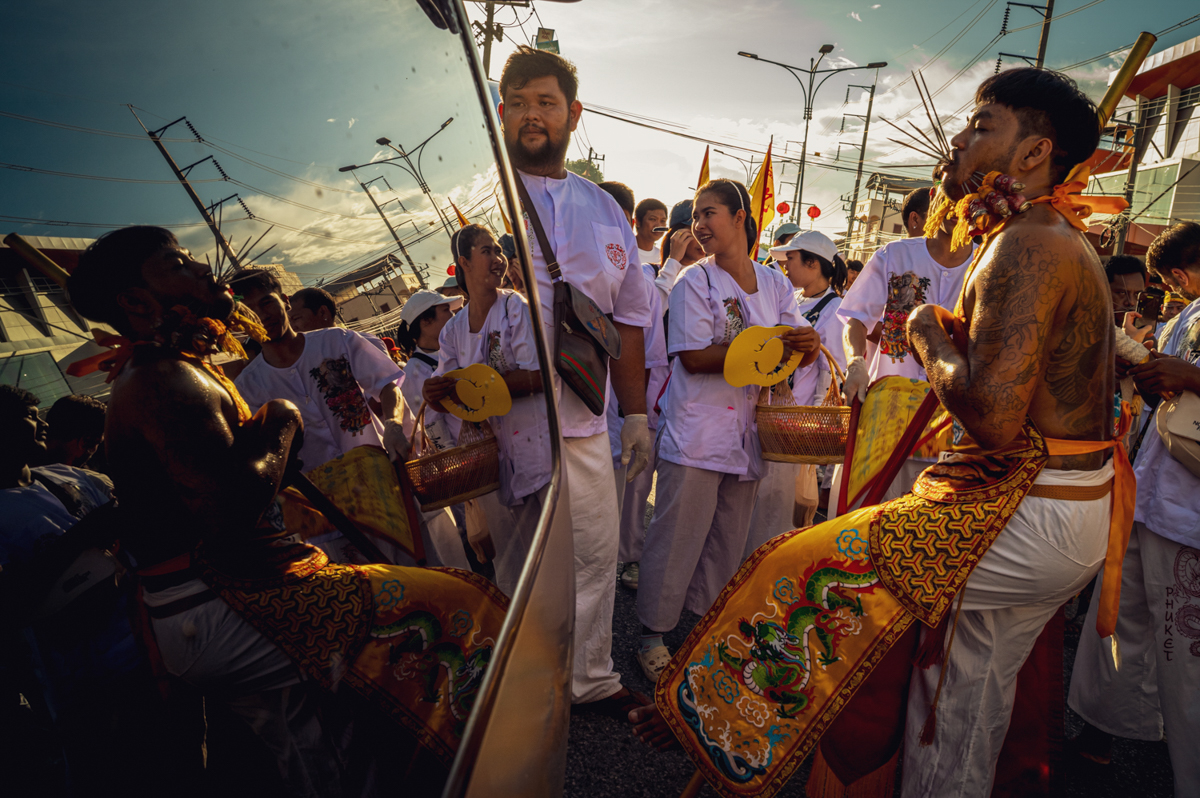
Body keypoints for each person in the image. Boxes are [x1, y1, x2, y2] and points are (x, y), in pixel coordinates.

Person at [636, 67, 1123, 798]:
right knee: (964, 687)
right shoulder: (1047, 237)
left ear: (1033, 154)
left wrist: (927, 332)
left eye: (982, 125)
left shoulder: (1028, 242)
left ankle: (708, 709)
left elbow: (992, 419)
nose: (958, 139)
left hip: (1027, 507)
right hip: (1058, 502)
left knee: (809, 568)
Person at [65, 226, 506, 797]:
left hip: (232, 592)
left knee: (314, 737)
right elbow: (232, 509)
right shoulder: (161, 379)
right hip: (226, 600)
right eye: (177, 265)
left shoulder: (176, 369)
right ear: (134, 301)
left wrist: (388, 428)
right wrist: (280, 423)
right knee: (450, 607)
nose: (201, 269)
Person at [499, 45, 655, 717]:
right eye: (518, 102)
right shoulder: (484, 193)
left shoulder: (603, 208)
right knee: (516, 565)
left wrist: (636, 415)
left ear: (574, 113)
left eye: (546, 102)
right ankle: (511, 686)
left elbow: (628, 319)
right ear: (500, 114)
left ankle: (589, 677)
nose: (532, 115)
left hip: (585, 417)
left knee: (594, 553)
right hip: (505, 424)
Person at [635, 178, 820, 683]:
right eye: (696, 215)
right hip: (698, 432)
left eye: (709, 213)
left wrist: (805, 344)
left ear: (740, 217)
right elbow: (693, 357)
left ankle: (703, 628)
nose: (699, 225)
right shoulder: (694, 281)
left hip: (746, 434)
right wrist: (771, 348)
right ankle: (652, 635)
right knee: (677, 536)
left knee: (726, 541)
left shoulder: (775, 283)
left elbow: (793, 347)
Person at [1069, 221, 1200, 795]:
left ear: (1177, 275)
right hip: (1151, 493)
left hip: (1190, 513)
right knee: (1120, 622)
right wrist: (1146, 373)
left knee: (1184, 657)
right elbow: (1165, 399)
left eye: (1170, 282)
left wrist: (1189, 375)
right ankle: (1105, 731)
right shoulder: (1183, 317)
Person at [229, 269, 414, 564]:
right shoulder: (247, 388)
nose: (261, 316)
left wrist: (393, 425)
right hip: (324, 514)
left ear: (285, 300)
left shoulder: (336, 342)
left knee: (422, 574)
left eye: (266, 302)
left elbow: (387, 386)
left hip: (385, 486)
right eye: (248, 311)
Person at [423, 225, 551, 596]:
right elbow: (447, 390)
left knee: (557, 549)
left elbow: (537, 375)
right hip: (498, 460)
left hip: (539, 448)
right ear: (463, 262)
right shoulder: (453, 330)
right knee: (528, 560)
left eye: (498, 250)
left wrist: (472, 386)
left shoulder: (515, 307)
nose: (498, 259)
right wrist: (434, 393)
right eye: (486, 251)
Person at [836, 176, 975, 504]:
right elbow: (857, 319)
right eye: (950, 196)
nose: (956, 208)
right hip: (887, 411)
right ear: (935, 196)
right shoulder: (894, 255)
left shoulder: (986, 265)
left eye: (968, 200)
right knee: (867, 511)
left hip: (953, 418)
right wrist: (855, 363)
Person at [757, 230, 848, 536]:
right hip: (770, 413)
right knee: (761, 495)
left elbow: (830, 371)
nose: (784, 266)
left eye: (791, 259)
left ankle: (768, 560)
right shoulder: (793, 299)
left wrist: (815, 421)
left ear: (813, 263)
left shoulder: (835, 310)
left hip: (797, 421)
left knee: (777, 501)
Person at [653, 199, 704, 307]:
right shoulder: (649, 272)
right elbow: (654, 310)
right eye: (695, 231)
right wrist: (673, 260)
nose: (701, 238)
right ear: (676, 234)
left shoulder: (709, 278)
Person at [41, 393, 107, 469]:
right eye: (97, 442)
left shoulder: (31, 468)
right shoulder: (87, 477)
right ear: (84, 442)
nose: (95, 449)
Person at [634, 197, 668, 265]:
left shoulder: (663, 257)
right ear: (637, 222)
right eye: (652, 219)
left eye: (662, 221)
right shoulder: (624, 250)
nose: (658, 225)